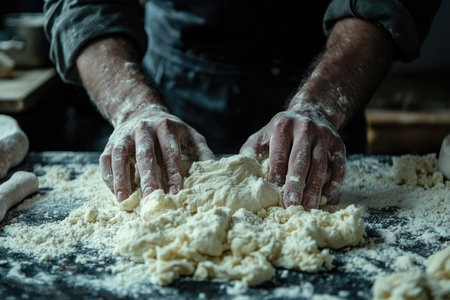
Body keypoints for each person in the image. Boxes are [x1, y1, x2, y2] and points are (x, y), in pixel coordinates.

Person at [43, 1, 441, 209]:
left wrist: (319, 107)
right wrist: (133, 109)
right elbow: (84, 5)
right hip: (174, 81)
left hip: (328, 70)